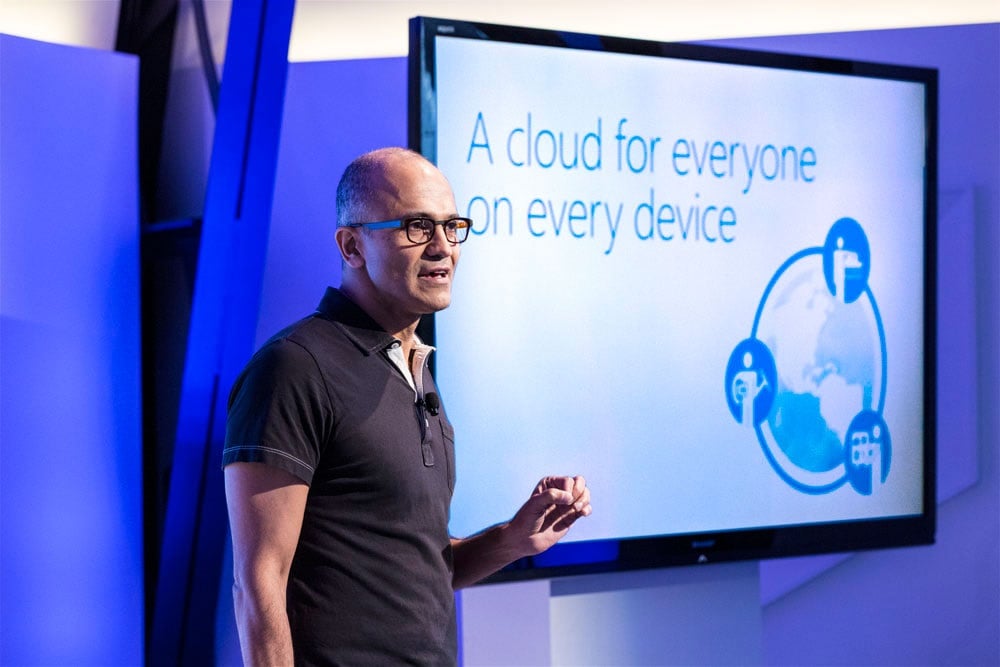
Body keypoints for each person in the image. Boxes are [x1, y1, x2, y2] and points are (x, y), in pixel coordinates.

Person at [223, 147, 592, 665]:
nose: (442, 247)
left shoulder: (416, 370)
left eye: (452, 226)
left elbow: (419, 564)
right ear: (352, 246)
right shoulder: (295, 368)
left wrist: (512, 539)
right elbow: (258, 583)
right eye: (417, 226)